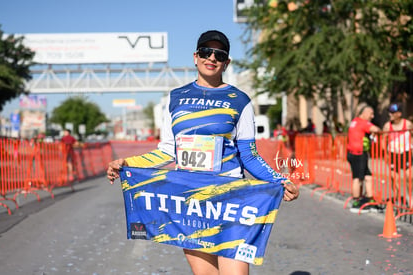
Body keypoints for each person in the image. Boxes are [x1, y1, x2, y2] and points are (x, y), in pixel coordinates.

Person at [107, 30, 299, 275]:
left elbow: (249, 155)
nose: (212, 57)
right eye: (206, 52)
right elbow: (167, 151)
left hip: (231, 200)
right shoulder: (176, 98)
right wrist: (127, 162)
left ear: (226, 62)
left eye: (219, 54)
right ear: (196, 57)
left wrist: (281, 181)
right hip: (192, 202)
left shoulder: (240, 100)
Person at [346, 105, 380, 213]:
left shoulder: (354, 121)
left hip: (353, 153)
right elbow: (375, 129)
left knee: (368, 176)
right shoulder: (363, 122)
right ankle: (356, 202)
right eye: (371, 114)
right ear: (364, 113)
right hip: (358, 153)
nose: (372, 116)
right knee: (358, 178)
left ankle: (370, 199)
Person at [382, 103, 413, 206]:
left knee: (409, 176)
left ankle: (410, 197)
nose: (390, 114)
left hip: (406, 152)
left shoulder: (407, 124)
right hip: (392, 153)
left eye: (392, 112)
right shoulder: (387, 126)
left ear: (399, 114)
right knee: (394, 177)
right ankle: (398, 197)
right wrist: (385, 153)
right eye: (389, 112)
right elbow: (383, 140)